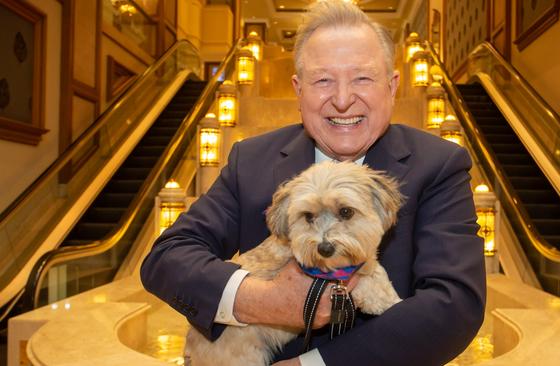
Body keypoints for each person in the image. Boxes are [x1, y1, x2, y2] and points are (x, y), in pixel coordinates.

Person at [140, 1, 486, 365]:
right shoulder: (251, 159)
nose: (341, 100)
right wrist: (262, 300)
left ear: (392, 85)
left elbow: (455, 305)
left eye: (362, 78)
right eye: (323, 80)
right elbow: (167, 257)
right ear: (298, 89)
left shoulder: (440, 164)